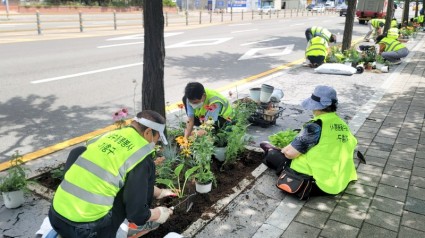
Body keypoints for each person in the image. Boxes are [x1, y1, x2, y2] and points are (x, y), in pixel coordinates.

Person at [49, 110, 176, 238]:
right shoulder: (141, 156)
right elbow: (136, 214)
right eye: (156, 139)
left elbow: (81, 156)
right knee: (126, 200)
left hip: (56, 216)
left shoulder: (107, 137)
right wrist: (158, 214)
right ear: (148, 132)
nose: (154, 143)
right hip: (87, 230)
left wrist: (160, 192)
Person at [260, 85, 358, 197]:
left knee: (272, 155)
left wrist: (284, 150)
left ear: (316, 107)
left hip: (317, 183)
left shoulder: (315, 126)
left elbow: (291, 154)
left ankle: (270, 150)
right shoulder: (341, 123)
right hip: (340, 179)